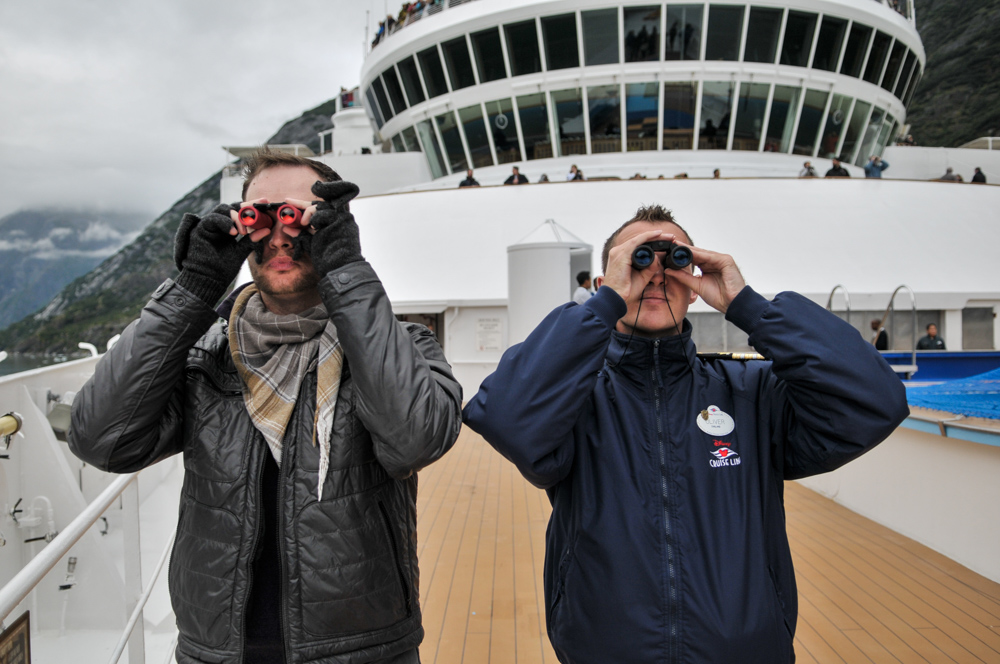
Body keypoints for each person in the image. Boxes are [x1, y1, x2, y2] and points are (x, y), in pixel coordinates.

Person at [463, 205, 908, 664]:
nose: (655, 276)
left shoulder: (751, 394)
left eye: (673, 260)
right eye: (638, 258)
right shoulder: (576, 401)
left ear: (695, 285)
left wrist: (749, 306)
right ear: (604, 284)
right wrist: (604, 306)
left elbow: (877, 401)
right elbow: (504, 416)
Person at [69, 150, 463, 664]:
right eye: (263, 216)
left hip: (360, 650)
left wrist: (345, 266)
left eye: (300, 217)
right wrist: (195, 286)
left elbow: (415, 438)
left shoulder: (402, 344)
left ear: (334, 226)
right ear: (240, 227)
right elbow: (101, 438)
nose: (280, 235)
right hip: (220, 651)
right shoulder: (205, 356)